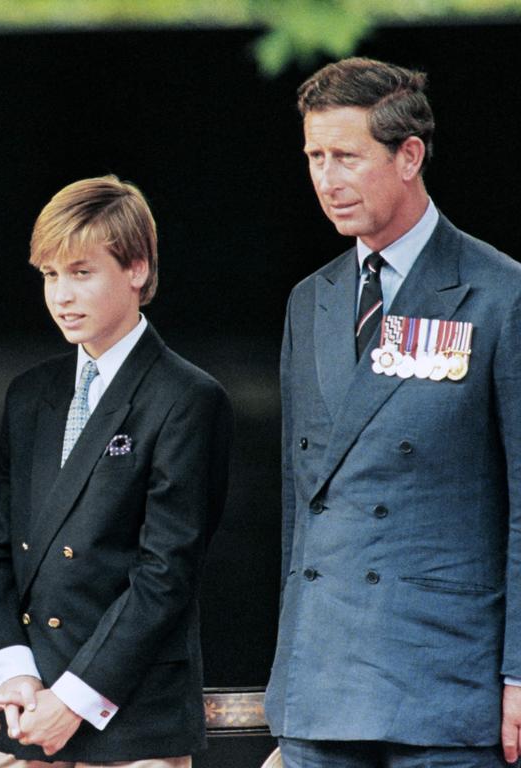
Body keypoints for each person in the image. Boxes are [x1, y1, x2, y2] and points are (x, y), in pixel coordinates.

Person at [265, 57, 521, 768]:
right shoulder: (310, 300)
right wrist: (288, 686)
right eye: (314, 156)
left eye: (346, 156)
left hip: (444, 685)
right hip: (319, 686)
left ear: (409, 155)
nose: (326, 178)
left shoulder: (499, 294)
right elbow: (301, 505)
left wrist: (520, 675)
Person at [0, 175, 233, 766]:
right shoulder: (29, 393)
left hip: (133, 719)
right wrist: (13, 673)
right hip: (26, 710)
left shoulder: (188, 397)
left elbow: (165, 573)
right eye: (50, 276)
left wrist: (74, 698)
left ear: (137, 269)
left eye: (81, 272)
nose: (61, 295)